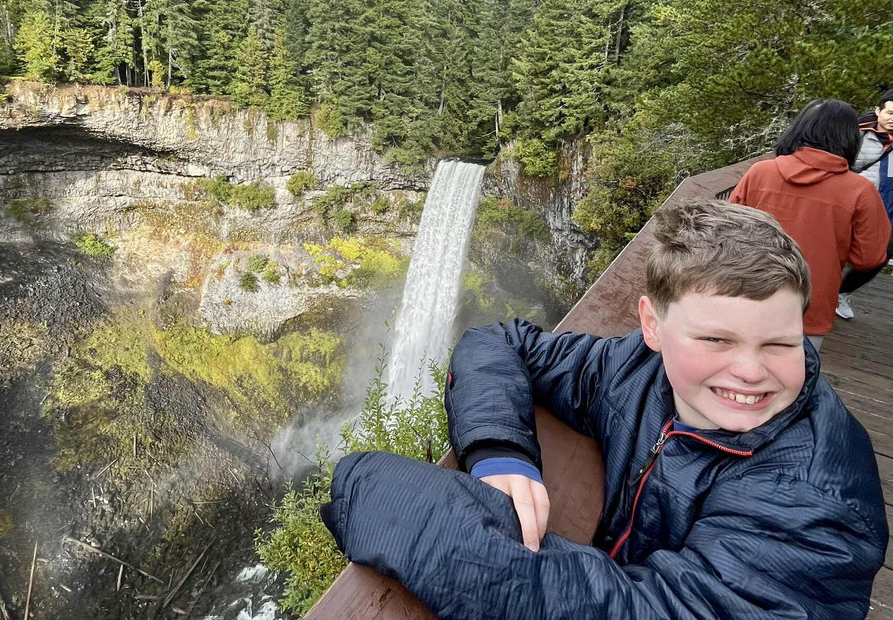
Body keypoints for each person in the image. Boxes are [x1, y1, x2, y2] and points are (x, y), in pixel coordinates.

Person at [321, 201, 887, 620]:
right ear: (652, 326)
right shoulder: (636, 369)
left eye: (781, 343)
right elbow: (498, 342)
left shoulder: (816, 504)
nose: (751, 371)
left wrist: (370, 487)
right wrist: (499, 450)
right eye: (717, 340)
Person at [728, 99, 890, 348]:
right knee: (797, 370)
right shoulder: (860, 191)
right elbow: (869, 258)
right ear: (850, 138)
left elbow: (727, 231)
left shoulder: (760, 172)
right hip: (810, 307)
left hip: (746, 293)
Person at [838, 89, 893, 319]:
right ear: (878, 111)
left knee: (880, 256)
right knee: (835, 250)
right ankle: (817, 291)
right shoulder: (856, 133)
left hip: (885, 211)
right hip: (848, 204)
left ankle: (842, 292)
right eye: (890, 113)